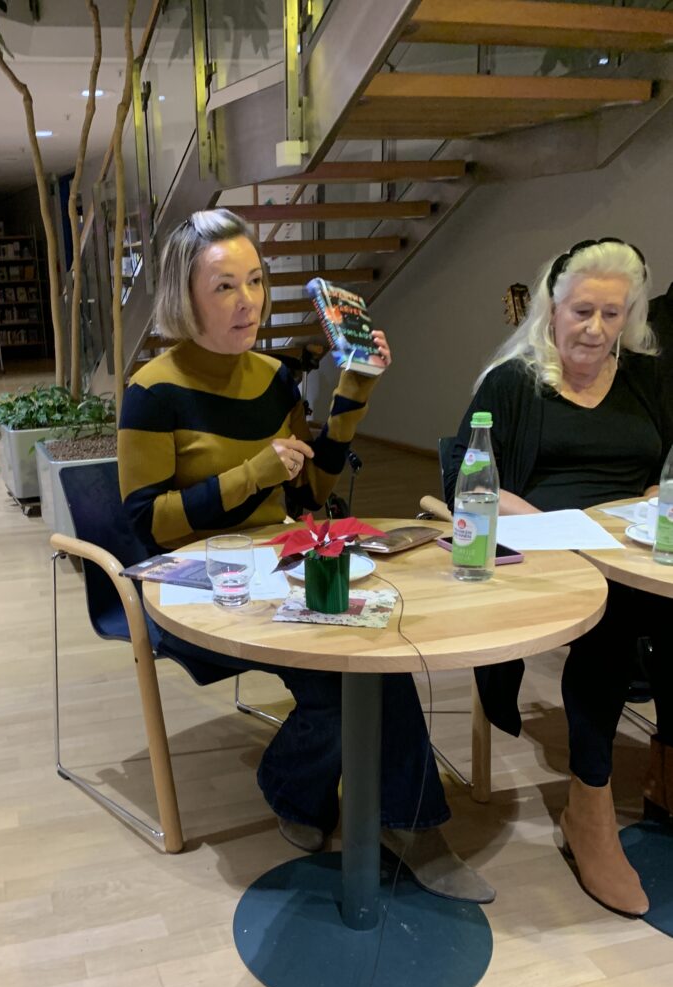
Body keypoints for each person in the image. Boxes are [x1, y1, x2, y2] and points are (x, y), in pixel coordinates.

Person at [118, 208, 494, 902]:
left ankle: (404, 824)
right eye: (224, 286)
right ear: (184, 297)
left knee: (376, 653)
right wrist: (250, 475)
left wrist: (354, 391)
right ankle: (298, 788)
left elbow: (310, 489)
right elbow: (148, 526)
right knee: (339, 686)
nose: (248, 301)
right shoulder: (151, 391)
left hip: (277, 567)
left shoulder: (272, 379)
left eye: (255, 281)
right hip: (194, 586)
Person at [445, 238, 672, 917]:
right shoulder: (513, 383)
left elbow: (664, 470)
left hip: (632, 546)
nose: (596, 330)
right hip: (547, 550)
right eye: (582, 312)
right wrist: (563, 527)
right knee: (612, 621)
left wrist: (648, 509)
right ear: (552, 307)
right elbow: (473, 484)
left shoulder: (645, 377)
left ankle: (667, 769)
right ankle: (588, 807)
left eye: (612, 314)